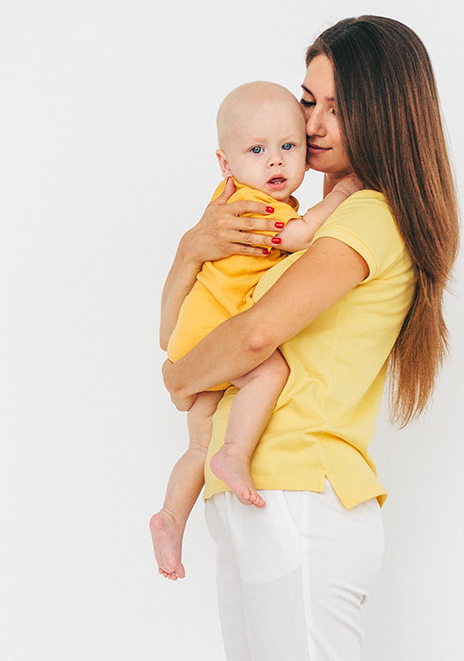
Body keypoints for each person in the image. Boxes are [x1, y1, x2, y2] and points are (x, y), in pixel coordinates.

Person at [160, 16, 459, 661]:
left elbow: (246, 338)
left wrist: (177, 380)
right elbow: (205, 304)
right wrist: (194, 247)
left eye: (325, 103)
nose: (306, 119)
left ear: (377, 109)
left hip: (307, 514)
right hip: (258, 509)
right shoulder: (304, 209)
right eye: (305, 97)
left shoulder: (367, 217)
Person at [150, 80, 360, 580]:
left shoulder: (222, 200)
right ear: (227, 164)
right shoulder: (255, 209)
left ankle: (170, 518)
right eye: (258, 150)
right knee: (270, 372)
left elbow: (166, 332)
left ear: (305, 156)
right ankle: (237, 454)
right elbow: (301, 234)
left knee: (195, 448)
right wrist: (346, 194)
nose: (275, 163)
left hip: (195, 331)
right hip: (216, 331)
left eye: (288, 147)